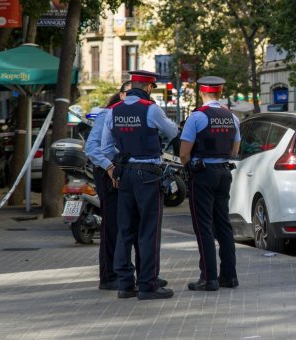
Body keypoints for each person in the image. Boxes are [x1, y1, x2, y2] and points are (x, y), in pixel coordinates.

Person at [101, 70, 178, 300]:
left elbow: (106, 148)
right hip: (148, 175)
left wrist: (124, 156)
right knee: (148, 231)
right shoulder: (150, 108)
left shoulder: (113, 110)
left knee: (125, 229)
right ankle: (147, 285)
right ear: (149, 87)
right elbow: (172, 131)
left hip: (125, 175)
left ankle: (125, 285)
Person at [84, 81, 167, 291]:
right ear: (121, 94)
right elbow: (93, 148)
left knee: (135, 225)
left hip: (126, 173)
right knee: (113, 226)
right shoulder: (108, 114)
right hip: (109, 175)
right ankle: (110, 276)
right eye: (130, 92)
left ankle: (144, 275)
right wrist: (111, 168)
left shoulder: (138, 112)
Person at [179, 76, 241, 291]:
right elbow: (234, 151)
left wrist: (191, 170)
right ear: (219, 92)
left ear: (202, 93)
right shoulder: (232, 117)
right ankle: (229, 276)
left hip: (203, 174)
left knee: (203, 225)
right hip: (224, 173)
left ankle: (209, 277)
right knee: (223, 225)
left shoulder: (196, 117)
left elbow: (184, 154)